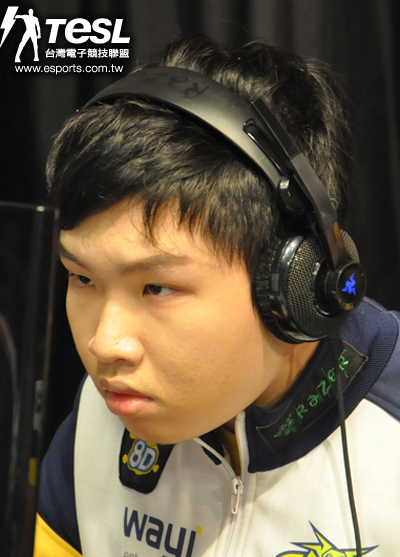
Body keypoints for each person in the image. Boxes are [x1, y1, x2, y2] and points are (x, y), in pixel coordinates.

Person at [33, 35, 400, 557]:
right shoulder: (99, 415)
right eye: (82, 278)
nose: (106, 345)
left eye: (157, 287)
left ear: (296, 281)